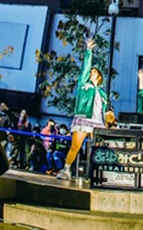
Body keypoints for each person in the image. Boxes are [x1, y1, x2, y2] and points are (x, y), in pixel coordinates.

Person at [56, 38, 107, 180]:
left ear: (99, 76)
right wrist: (89, 51)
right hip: (84, 118)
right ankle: (66, 170)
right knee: (75, 146)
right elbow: (85, 68)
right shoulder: (84, 84)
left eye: (94, 71)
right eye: (91, 71)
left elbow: (104, 110)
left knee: (99, 149)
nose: (91, 72)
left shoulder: (102, 93)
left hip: (98, 122)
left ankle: (99, 174)